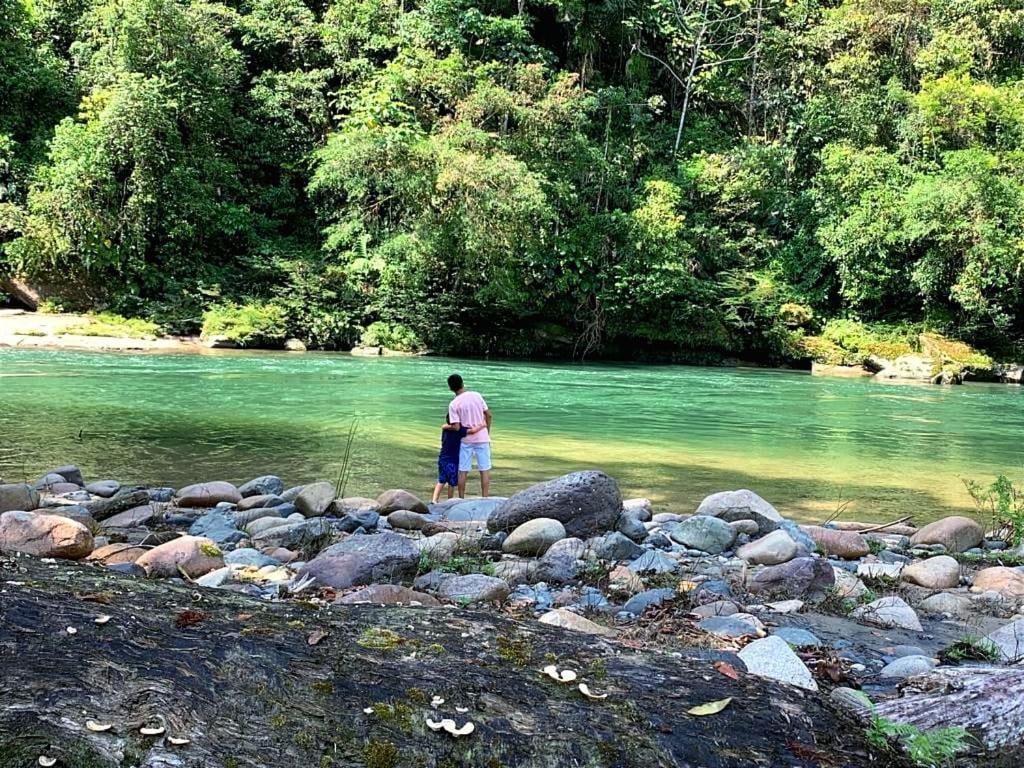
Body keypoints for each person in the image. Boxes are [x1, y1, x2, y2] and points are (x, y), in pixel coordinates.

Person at [446, 373, 492, 498]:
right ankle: (485, 497)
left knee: (463, 470)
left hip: (465, 440)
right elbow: (488, 415)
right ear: (462, 383)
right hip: (482, 438)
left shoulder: (453, 404)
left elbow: (456, 427)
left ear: (450, 388)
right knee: (484, 469)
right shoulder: (476, 395)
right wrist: (487, 432)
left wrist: (445, 427)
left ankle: (461, 498)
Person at [431, 413, 483, 503]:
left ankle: (434, 500)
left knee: (441, 480)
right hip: (452, 460)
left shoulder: (445, 429)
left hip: (442, 458)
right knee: (452, 483)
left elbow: (444, 426)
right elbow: (473, 431)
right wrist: (482, 424)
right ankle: (449, 501)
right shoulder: (459, 431)